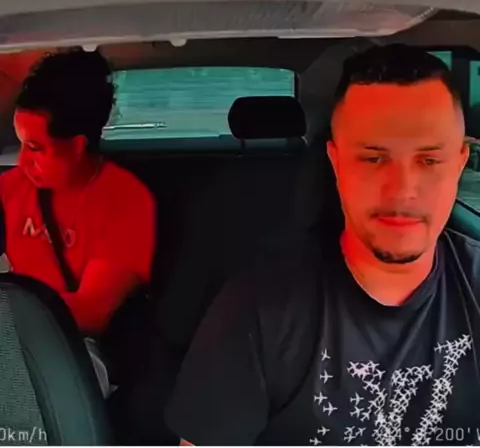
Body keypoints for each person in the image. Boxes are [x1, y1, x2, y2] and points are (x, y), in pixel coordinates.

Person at [164, 44, 480, 446]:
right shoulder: (259, 307)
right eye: (373, 159)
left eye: (429, 160)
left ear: (459, 162)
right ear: (335, 162)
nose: (403, 190)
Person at [0, 49, 156, 394]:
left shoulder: (125, 199)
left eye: (35, 148)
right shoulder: (10, 188)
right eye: (20, 144)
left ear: (76, 146)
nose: (22, 162)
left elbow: (90, 313)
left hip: (78, 347)